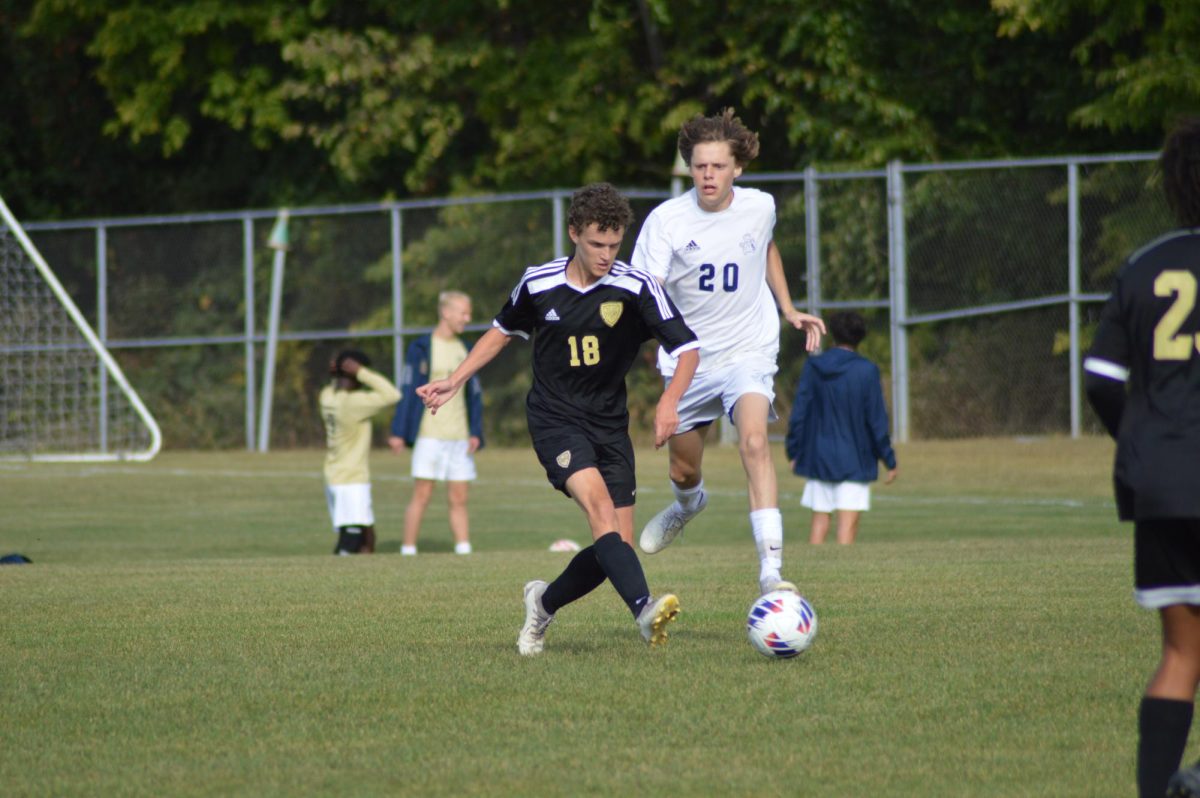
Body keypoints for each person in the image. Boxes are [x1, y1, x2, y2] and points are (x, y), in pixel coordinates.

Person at [416, 182, 700, 655]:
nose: (606, 254)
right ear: (573, 233)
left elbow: (687, 347)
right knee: (600, 513)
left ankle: (542, 603)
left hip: (610, 424)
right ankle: (644, 608)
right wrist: (456, 379)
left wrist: (670, 400)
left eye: (614, 244)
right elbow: (501, 331)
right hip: (555, 419)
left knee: (618, 544)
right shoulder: (538, 281)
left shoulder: (635, 287)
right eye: (595, 243)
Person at [631, 107, 825, 595]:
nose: (708, 175)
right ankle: (688, 504)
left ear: (737, 167)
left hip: (748, 350)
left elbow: (765, 246)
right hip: (688, 360)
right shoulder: (667, 222)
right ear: (689, 168)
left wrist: (788, 307)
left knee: (755, 442)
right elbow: (644, 297)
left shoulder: (760, 206)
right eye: (699, 167)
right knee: (684, 468)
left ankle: (771, 572)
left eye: (718, 166)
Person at [1083, 117, 1200, 798]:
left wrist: (1138, 441)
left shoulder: (1144, 264)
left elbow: (1101, 378)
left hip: (1162, 481)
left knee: (1181, 654)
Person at [784, 311, 897, 545]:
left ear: (832, 335)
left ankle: (814, 572)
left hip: (818, 454)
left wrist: (794, 450)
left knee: (819, 521)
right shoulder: (867, 370)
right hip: (856, 456)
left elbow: (800, 412)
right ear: (860, 337)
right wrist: (888, 459)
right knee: (847, 524)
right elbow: (876, 419)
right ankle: (840, 576)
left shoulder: (814, 366)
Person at [388, 291, 484, 556]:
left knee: (459, 498)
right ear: (446, 312)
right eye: (463, 313)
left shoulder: (465, 349)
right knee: (422, 495)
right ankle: (408, 550)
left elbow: (474, 393)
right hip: (429, 435)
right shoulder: (422, 347)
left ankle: (464, 551)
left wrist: (475, 431)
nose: (468, 318)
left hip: (459, 436)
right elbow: (408, 389)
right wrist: (398, 431)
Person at [319, 349, 401, 555]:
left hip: (334, 474)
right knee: (352, 538)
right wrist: (362, 372)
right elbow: (392, 394)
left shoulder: (327, 396)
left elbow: (335, 385)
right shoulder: (354, 403)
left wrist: (336, 373)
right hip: (351, 478)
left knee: (367, 534)